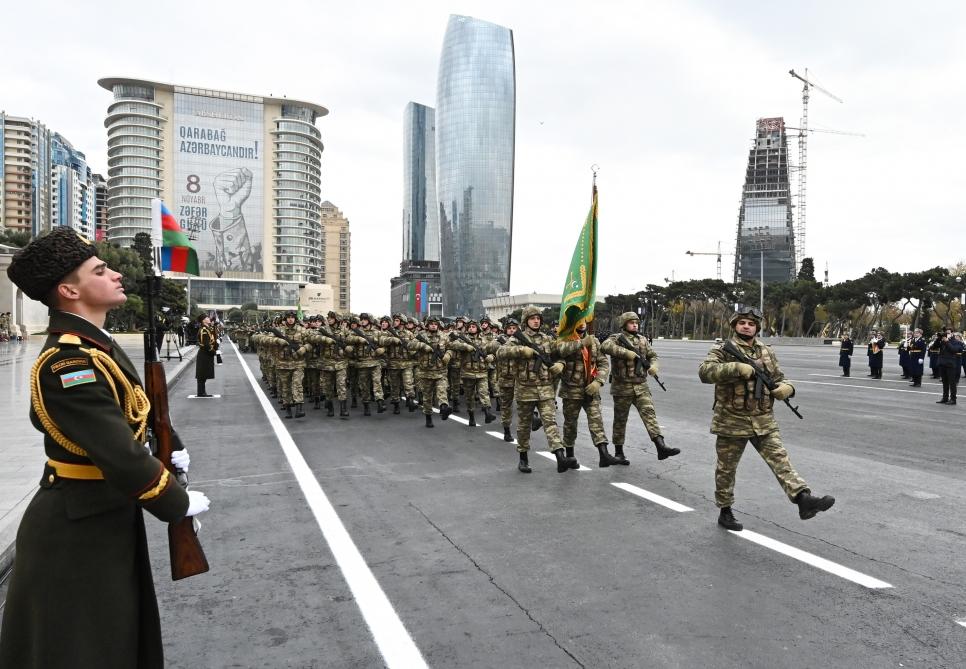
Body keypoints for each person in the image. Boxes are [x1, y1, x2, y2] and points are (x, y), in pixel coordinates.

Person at [0, 227, 210, 668]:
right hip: (74, 533)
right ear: (68, 290)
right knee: (85, 648)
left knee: (115, 640)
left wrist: (172, 445)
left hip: (104, 517)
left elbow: (138, 412)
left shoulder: (98, 347)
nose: (115, 274)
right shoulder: (68, 362)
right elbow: (118, 451)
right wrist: (176, 502)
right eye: (100, 269)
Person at [697, 306, 834, 531]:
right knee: (726, 469)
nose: (746, 326)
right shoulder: (723, 349)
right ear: (734, 325)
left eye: (751, 324)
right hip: (732, 420)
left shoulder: (766, 351)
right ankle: (725, 511)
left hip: (763, 419)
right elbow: (705, 372)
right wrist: (736, 368)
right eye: (742, 323)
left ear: (757, 328)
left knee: (781, 460)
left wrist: (787, 387)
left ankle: (803, 499)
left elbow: (778, 377)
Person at [496, 306, 576, 473]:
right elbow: (501, 352)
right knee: (524, 426)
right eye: (532, 318)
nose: (536, 320)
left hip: (546, 389)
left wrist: (561, 363)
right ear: (526, 321)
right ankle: (523, 458)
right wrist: (521, 350)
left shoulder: (547, 339)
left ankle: (560, 456)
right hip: (525, 389)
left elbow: (559, 352)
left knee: (550, 422)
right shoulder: (518, 338)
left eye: (538, 318)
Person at [600, 312, 680, 463]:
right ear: (624, 324)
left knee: (649, 414)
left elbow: (653, 355)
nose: (635, 325)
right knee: (620, 420)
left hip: (641, 385)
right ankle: (619, 452)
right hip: (622, 386)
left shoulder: (642, 340)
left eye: (636, 322)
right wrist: (627, 353)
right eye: (631, 322)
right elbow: (605, 347)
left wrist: (654, 366)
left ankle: (660, 446)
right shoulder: (616, 338)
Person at [557, 319, 622, 467]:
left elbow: (603, 363)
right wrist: (581, 343)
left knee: (596, 421)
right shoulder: (564, 339)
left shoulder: (594, 341)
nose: (582, 323)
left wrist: (598, 381)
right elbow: (560, 352)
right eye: (578, 320)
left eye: (584, 320)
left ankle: (604, 454)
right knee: (570, 425)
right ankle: (570, 456)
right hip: (571, 390)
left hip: (590, 389)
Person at [937, 329, 964, 405]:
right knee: (944, 382)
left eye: (948, 333)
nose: (946, 334)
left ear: (952, 334)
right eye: (946, 333)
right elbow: (934, 347)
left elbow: (954, 350)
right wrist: (939, 338)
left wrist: (947, 341)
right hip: (942, 364)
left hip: (951, 365)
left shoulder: (957, 342)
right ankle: (945, 398)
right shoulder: (942, 341)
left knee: (952, 383)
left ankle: (953, 399)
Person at [195, 313, 218, 397]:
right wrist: (213, 352)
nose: (209, 319)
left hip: (206, 354)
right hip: (204, 354)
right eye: (207, 318)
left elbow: (213, 338)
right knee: (202, 374)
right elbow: (206, 344)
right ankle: (201, 392)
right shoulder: (204, 330)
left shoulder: (207, 329)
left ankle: (202, 392)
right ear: (203, 320)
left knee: (203, 374)